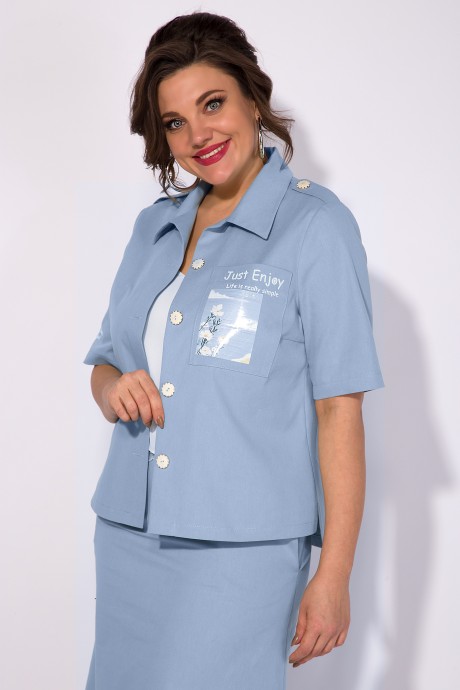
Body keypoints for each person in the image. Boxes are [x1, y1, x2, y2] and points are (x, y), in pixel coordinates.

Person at [83, 11, 385, 690]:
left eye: (213, 104)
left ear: (252, 98)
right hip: (129, 536)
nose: (198, 135)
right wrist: (112, 388)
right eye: (175, 122)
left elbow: (340, 410)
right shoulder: (153, 228)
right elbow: (107, 357)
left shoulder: (316, 226)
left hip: (243, 552)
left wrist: (334, 574)